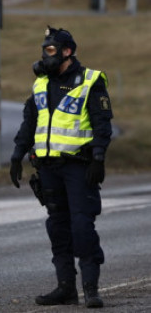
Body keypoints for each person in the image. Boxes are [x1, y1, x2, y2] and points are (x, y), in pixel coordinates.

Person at [9, 27, 112, 309]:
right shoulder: (41, 84)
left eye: (51, 50)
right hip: (48, 168)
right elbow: (30, 123)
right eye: (44, 50)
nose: (45, 55)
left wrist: (98, 159)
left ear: (68, 51)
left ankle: (91, 289)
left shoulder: (89, 81)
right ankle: (66, 288)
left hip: (79, 168)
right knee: (58, 229)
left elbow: (103, 124)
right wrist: (17, 155)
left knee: (82, 228)